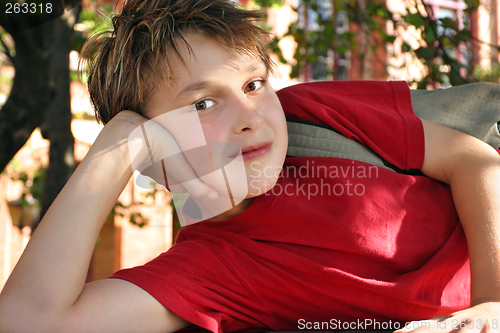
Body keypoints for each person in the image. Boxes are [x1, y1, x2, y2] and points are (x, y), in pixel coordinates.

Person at [0, 0, 499, 332]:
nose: (248, 117)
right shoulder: (212, 269)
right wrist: (113, 150)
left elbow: (474, 161)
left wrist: (493, 305)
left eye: (254, 85)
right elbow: (27, 322)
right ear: (151, 151)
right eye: (202, 104)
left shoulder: (313, 113)